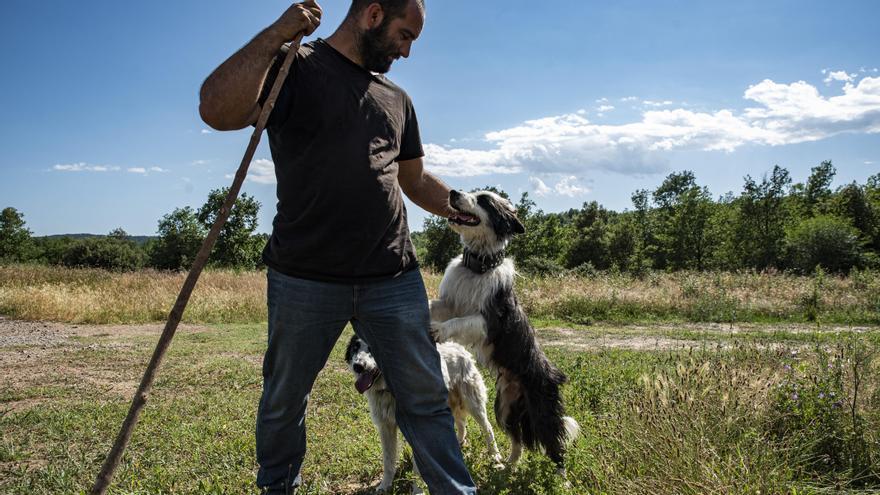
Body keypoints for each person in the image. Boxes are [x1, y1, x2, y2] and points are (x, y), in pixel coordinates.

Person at [199, 1, 477, 493]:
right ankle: (279, 487)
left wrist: (461, 208)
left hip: (391, 274)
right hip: (304, 275)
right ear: (372, 15)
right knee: (285, 398)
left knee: (425, 396)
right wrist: (277, 34)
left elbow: (412, 180)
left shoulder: (397, 100)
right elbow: (216, 110)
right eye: (404, 35)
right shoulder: (294, 67)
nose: (408, 51)